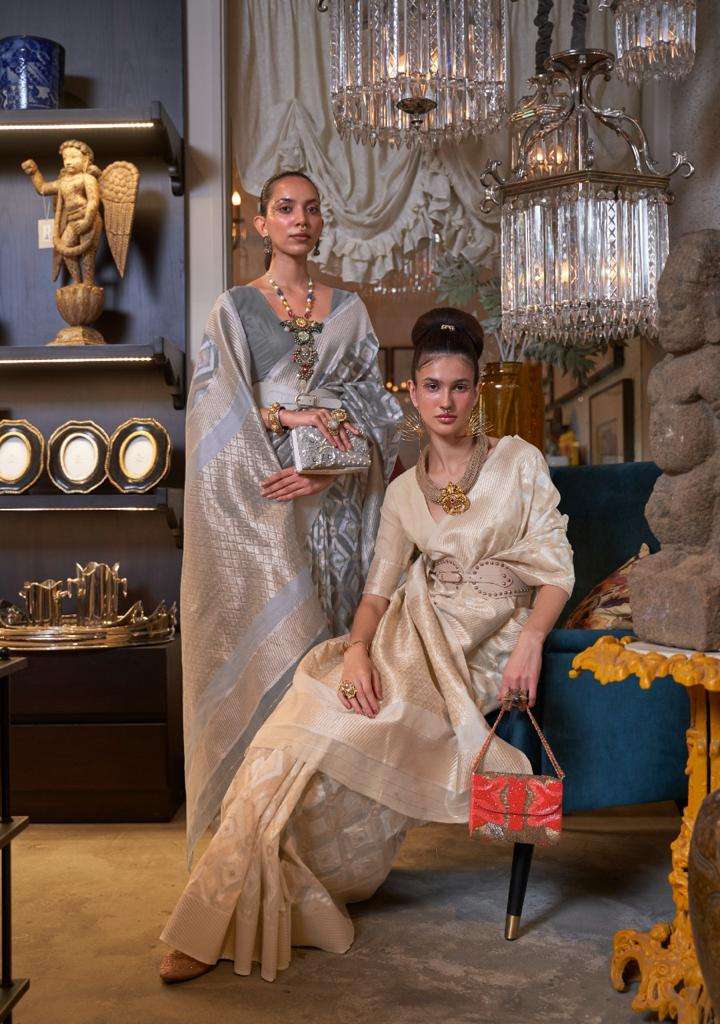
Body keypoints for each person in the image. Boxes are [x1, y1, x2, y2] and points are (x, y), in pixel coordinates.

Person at [160, 307, 574, 984]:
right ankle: (215, 909)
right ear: (413, 393)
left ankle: (240, 904)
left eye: (459, 386)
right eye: (432, 386)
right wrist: (356, 651)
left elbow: (556, 569)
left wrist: (531, 641)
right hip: (412, 631)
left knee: (345, 728)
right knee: (291, 732)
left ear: (476, 391)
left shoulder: (518, 461)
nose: (446, 401)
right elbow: (378, 593)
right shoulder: (404, 490)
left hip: (483, 646)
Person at [181, 170, 401, 862]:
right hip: (266, 505)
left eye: (311, 209)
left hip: (339, 508)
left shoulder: (350, 311)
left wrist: (328, 463)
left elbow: (381, 413)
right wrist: (289, 418)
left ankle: (331, 846)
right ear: (262, 224)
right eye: (285, 209)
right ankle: (261, 836)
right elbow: (214, 411)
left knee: (336, 656)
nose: (300, 219)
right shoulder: (236, 308)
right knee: (282, 655)